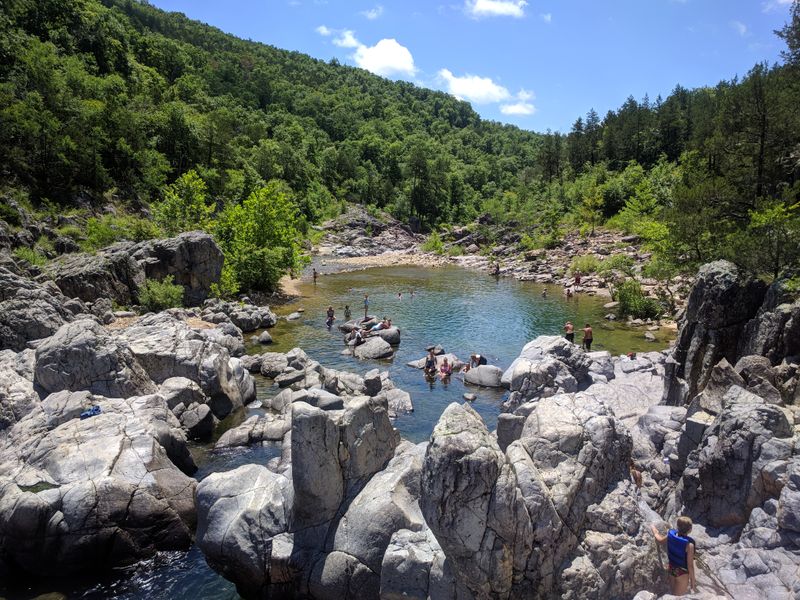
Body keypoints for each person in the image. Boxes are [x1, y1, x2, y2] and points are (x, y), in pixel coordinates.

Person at [651, 517, 697, 596]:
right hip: (682, 574)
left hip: (671, 569)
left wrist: (655, 532)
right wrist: (693, 582)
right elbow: (690, 566)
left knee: (673, 594)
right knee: (678, 597)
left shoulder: (671, 535)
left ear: (677, 526)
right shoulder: (689, 545)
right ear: (690, 530)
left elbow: (660, 540)